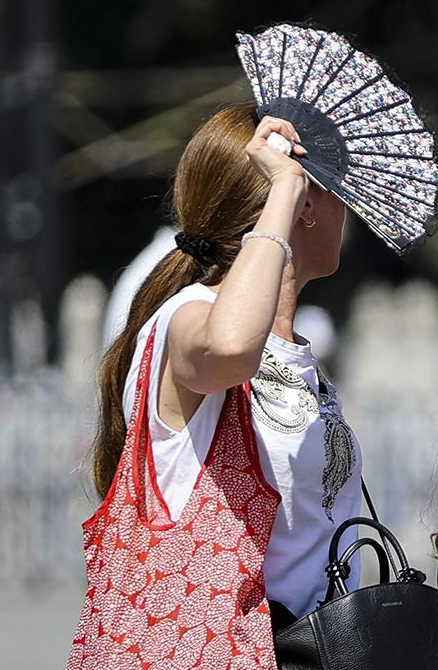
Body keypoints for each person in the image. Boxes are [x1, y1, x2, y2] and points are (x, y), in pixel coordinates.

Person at [69, 104, 363, 667]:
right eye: (335, 188)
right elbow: (230, 348)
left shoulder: (303, 360)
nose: (347, 207)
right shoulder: (187, 318)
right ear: (302, 204)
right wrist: (284, 191)